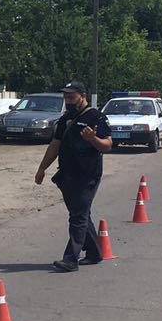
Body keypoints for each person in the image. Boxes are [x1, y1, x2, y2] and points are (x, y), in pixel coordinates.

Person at [33, 81, 112, 272]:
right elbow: (55, 145)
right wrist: (42, 168)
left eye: (71, 96)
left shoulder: (96, 117)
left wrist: (93, 139)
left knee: (78, 215)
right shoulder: (65, 118)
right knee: (80, 214)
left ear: (82, 96)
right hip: (67, 174)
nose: (67, 100)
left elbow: (107, 145)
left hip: (88, 175)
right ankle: (94, 252)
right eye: (66, 97)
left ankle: (71, 259)